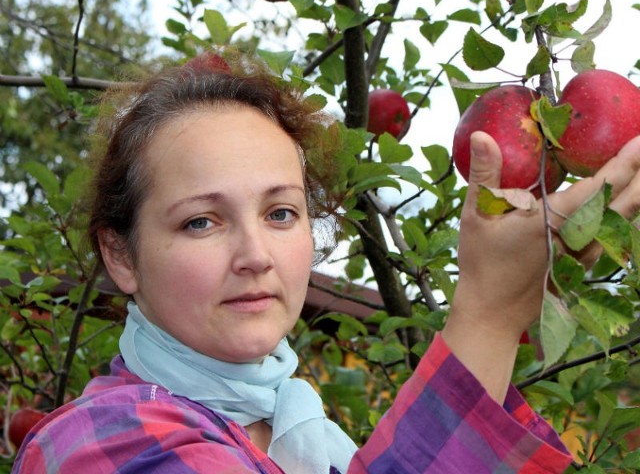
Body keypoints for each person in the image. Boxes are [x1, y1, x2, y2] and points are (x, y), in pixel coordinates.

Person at [10, 53, 640, 473]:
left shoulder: (303, 434)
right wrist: (489, 315)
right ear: (121, 254)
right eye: (201, 221)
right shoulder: (96, 446)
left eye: (280, 213)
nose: (255, 256)